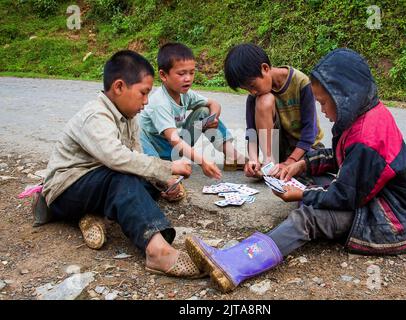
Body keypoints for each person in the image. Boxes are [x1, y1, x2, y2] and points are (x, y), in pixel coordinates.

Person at [186, 48, 406, 292]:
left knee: (308, 218)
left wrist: (303, 195)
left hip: (395, 215)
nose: (323, 111)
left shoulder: (366, 139)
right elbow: (339, 157)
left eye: (325, 103)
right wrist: (301, 164)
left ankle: (235, 264)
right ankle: (250, 247)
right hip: (378, 197)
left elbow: (345, 197)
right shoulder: (362, 115)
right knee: (306, 184)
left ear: (344, 97)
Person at [37, 50, 202, 278]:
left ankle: (91, 217)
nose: (146, 102)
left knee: (146, 184)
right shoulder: (95, 116)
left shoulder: (129, 117)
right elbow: (118, 159)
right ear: (119, 87)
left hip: (97, 184)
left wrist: (164, 182)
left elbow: (136, 156)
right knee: (123, 178)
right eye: (143, 93)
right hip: (65, 190)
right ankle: (157, 252)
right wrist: (168, 167)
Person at [139, 42, 245, 181]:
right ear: (163, 75)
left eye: (191, 72)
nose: (188, 78)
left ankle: (232, 156)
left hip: (176, 147)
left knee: (204, 111)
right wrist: (202, 161)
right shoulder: (160, 102)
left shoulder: (185, 94)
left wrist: (213, 118)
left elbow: (214, 104)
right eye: (181, 73)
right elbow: (174, 139)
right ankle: (166, 169)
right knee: (161, 179)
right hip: (157, 151)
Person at [223, 43, 324, 179]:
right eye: (246, 89)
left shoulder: (301, 83)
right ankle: (269, 162)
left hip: (305, 150)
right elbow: (251, 131)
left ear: (265, 68)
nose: (252, 92)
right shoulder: (255, 96)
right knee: (264, 100)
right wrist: (253, 160)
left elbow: (309, 134)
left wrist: (290, 162)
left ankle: (280, 167)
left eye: (252, 86)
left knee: (307, 169)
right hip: (280, 152)